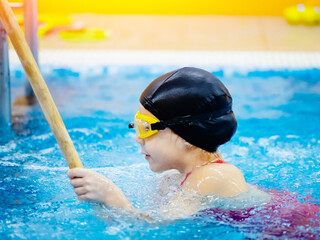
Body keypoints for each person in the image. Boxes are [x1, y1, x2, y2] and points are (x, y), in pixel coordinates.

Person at [67, 67, 259, 218]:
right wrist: (100, 203)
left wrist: (112, 197)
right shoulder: (173, 178)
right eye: (136, 126)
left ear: (187, 136)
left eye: (146, 128)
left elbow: (162, 230)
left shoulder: (215, 175)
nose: (138, 137)